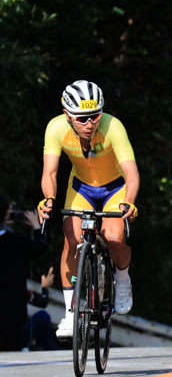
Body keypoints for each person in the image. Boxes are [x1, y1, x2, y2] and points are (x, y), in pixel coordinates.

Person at [38, 80, 139, 339]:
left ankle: (122, 278)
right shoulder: (56, 128)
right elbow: (49, 172)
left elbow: (131, 172)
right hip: (81, 187)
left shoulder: (113, 126)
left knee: (114, 237)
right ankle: (72, 312)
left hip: (115, 187)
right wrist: (48, 199)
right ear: (67, 115)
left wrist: (129, 200)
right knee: (71, 240)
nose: (90, 124)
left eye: (95, 116)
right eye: (82, 118)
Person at [0, 196, 50, 351]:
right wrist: (36, 226)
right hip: (13, 335)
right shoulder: (13, 241)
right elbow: (40, 247)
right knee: (43, 317)